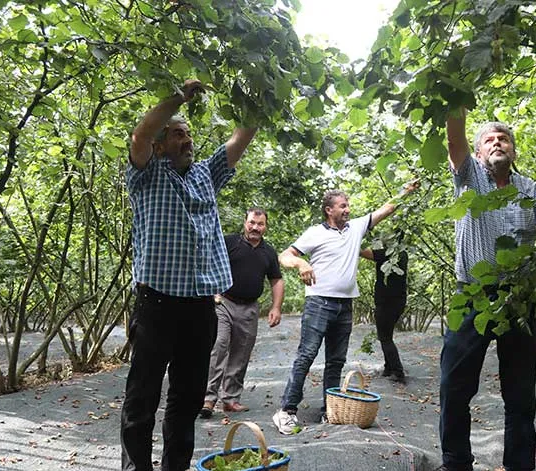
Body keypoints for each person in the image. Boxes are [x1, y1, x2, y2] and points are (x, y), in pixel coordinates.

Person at [121, 79, 257, 471]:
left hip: (200, 309)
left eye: (188, 134)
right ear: (162, 144)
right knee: (142, 395)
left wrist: (255, 99)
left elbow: (239, 140)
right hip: (156, 305)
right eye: (178, 134)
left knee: (187, 398)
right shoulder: (146, 174)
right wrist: (177, 98)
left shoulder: (204, 175)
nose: (187, 140)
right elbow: (140, 134)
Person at [436, 109, 536, 471]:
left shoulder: (529, 188)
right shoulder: (470, 178)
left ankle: (519, 466)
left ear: (514, 151)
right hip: (472, 297)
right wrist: (456, 99)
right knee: (454, 387)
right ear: (478, 151)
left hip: (518, 301)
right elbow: (454, 140)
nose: (497, 143)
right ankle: (456, 464)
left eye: (504, 139)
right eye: (489, 140)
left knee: (520, 396)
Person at [272, 183, 418, 435]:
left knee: (336, 361)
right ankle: (286, 410)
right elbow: (284, 255)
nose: (348, 210)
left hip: (345, 306)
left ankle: (329, 410)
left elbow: (387, 209)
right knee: (306, 355)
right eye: (342, 206)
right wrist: (300, 264)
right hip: (319, 303)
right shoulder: (315, 233)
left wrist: (406, 191)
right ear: (329, 210)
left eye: (348, 205)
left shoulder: (357, 228)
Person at [199, 208, 284, 418]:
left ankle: (230, 399)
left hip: (249, 308)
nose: (255, 227)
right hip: (224, 303)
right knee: (218, 346)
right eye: (252, 223)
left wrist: (276, 307)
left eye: (260, 224)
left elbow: (276, 280)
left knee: (241, 352)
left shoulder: (269, 252)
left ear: (266, 227)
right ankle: (208, 399)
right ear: (245, 223)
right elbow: (207, 263)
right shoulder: (228, 243)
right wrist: (212, 292)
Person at [359, 233, 408, 383]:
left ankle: (398, 372)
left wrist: (351, 237)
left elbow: (363, 252)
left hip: (387, 302)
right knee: (386, 336)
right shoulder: (402, 253)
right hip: (396, 301)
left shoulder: (389, 254)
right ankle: (389, 367)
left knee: (385, 337)